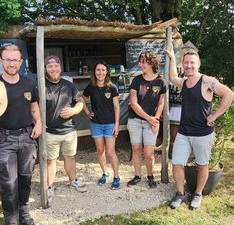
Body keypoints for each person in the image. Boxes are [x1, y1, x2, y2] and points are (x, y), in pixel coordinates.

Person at [166, 45, 234, 209]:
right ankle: (180, 194)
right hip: (183, 132)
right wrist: (172, 59)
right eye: (186, 63)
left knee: (202, 165)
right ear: (183, 64)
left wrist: (214, 115)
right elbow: (173, 77)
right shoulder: (184, 82)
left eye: (192, 62)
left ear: (198, 64)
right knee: (176, 163)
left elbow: (229, 95)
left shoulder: (207, 81)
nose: (189, 66)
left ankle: (197, 194)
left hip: (202, 134)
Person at [0, 44, 42, 225]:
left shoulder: (29, 83)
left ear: (21, 62)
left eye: (15, 60)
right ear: (1, 61)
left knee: (26, 179)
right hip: (4, 139)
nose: (12, 63)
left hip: (27, 138)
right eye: (8, 59)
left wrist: (38, 122)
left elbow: (34, 107)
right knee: (8, 184)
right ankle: (11, 219)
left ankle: (24, 214)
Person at [45, 55, 87, 200]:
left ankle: (73, 180)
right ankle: (49, 186)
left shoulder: (68, 85)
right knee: (51, 160)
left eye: (56, 65)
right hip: (49, 131)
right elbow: (34, 106)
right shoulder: (40, 85)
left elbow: (80, 103)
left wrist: (74, 110)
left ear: (60, 67)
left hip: (69, 130)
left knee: (70, 156)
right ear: (45, 68)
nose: (53, 68)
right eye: (50, 66)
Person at [127, 50, 166, 189]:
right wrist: (149, 118)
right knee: (136, 149)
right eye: (140, 61)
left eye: (143, 62)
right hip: (135, 121)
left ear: (151, 63)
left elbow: (161, 103)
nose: (140, 64)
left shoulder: (160, 81)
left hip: (153, 121)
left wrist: (155, 119)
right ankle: (137, 176)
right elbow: (133, 103)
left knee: (149, 153)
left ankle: (150, 176)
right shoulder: (136, 80)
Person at [82, 60, 121, 190]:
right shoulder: (90, 87)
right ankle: (105, 173)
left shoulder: (112, 87)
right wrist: (88, 112)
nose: (100, 73)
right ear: (94, 72)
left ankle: (116, 177)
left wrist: (116, 124)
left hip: (110, 124)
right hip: (96, 124)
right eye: (98, 70)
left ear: (107, 72)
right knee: (100, 151)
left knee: (110, 151)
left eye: (103, 70)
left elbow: (117, 107)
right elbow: (81, 99)